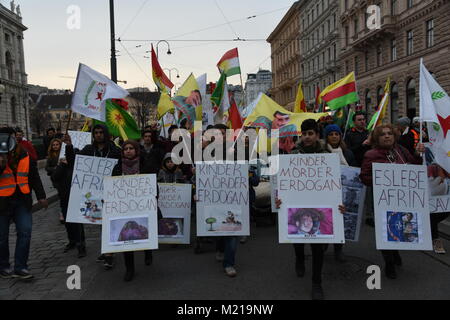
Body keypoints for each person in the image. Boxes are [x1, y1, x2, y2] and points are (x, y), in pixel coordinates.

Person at [360, 124, 425, 279]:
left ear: (395, 136)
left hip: (401, 199)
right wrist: (383, 178)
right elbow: (364, 177)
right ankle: (389, 262)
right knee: (385, 231)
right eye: (383, 134)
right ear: (377, 138)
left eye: (390, 133)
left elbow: (415, 167)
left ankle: (395, 251)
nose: (387, 136)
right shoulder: (371, 154)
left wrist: (417, 154)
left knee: (399, 226)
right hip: (382, 200)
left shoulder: (401, 151)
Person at [63, 124, 121, 269]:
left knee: (108, 222)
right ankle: (106, 250)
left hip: (110, 191)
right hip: (94, 192)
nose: (99, 135)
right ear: (93, 135)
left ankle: (109, 255)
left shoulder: (115, 150)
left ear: (106, 133)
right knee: (101, 223)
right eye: (96, 132)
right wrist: (69, 146)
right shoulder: (88, 150)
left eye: (101, 132)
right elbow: (74, 162)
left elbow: (120, 167)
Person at [0, 127, 48, 280]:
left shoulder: (24, 154)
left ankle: (20, 267)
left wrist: (41, 196)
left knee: (25, 232)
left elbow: (34, 176)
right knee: (2, 237)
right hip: (2, 201)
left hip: (22, 199)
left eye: (11, 136)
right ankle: (3, 266)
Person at [111, 140, 161, 281]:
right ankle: (129, 269)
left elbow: (153, 184)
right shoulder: (117, 167)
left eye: (131, 148)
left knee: (143, 230)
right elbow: (111, 186)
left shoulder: (145, 165)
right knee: (127, 237)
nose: (128, 150)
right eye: (125, 148)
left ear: (136, 150)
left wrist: (154, 197)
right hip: (124, 207)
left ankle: (147, 251)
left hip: (143, 205)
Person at [45, 138, 65, 224]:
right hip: (56, 178)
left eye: (57, 144)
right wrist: (54, 168)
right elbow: (46, 167)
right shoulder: (50, 156)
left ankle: (65, 211)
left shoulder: (64, 153)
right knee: (61, 194)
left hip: (64, 177)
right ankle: (62, 213)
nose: (55, 146)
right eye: (54, 145)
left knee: (64, 195)